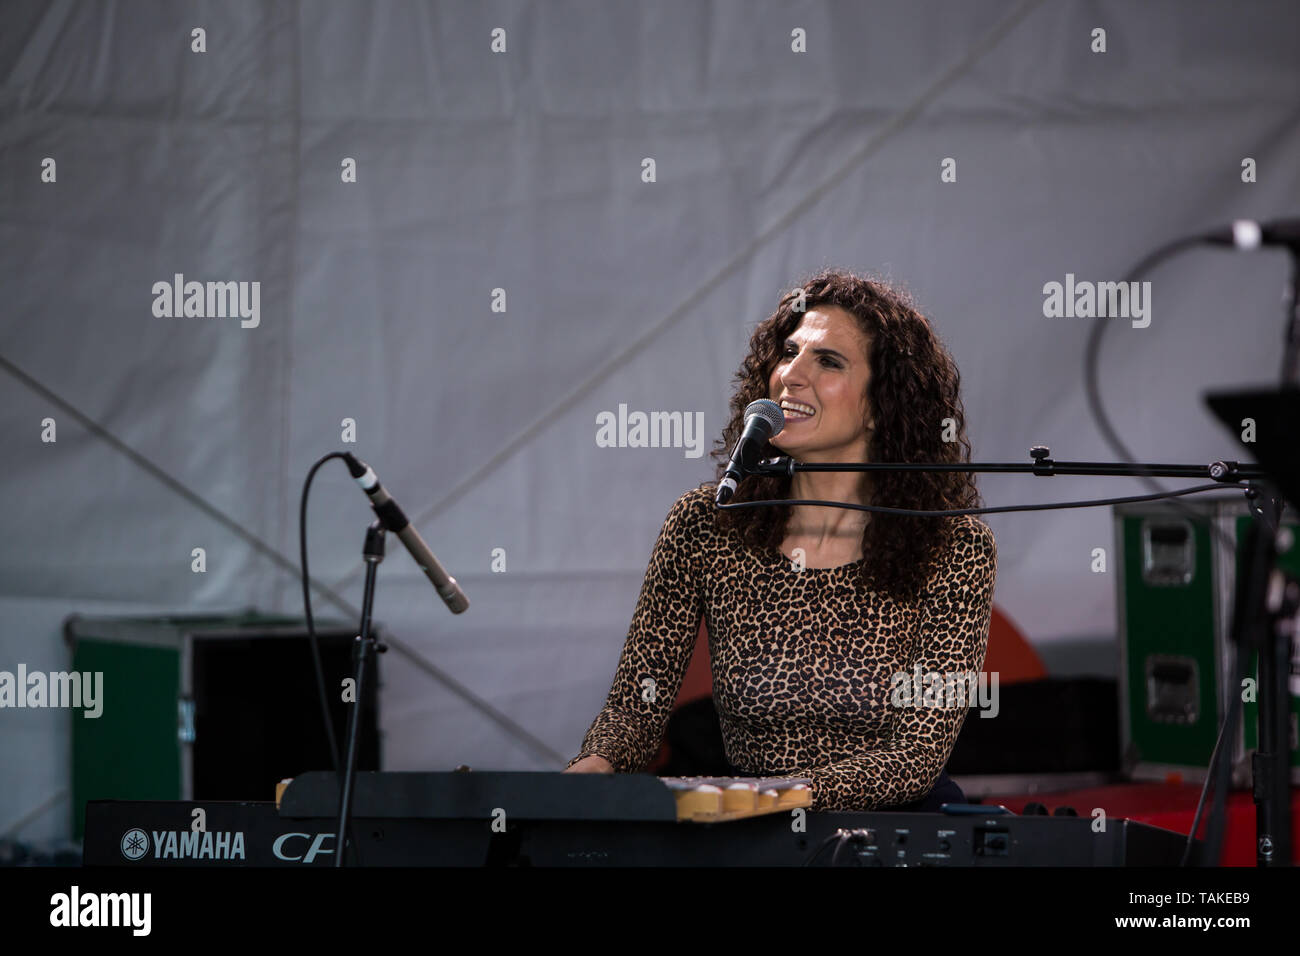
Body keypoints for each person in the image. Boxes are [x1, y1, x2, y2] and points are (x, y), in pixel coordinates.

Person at [564, 269, 997, 812]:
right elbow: (634, 708)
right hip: (748, 821)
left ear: (882, 403)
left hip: (886, 830)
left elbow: (915, 756)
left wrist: (774, 798)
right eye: (788, 353)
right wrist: (585, 772)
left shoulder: (953, 547)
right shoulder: (706, 523)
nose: (790, 374)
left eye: (828, 361)